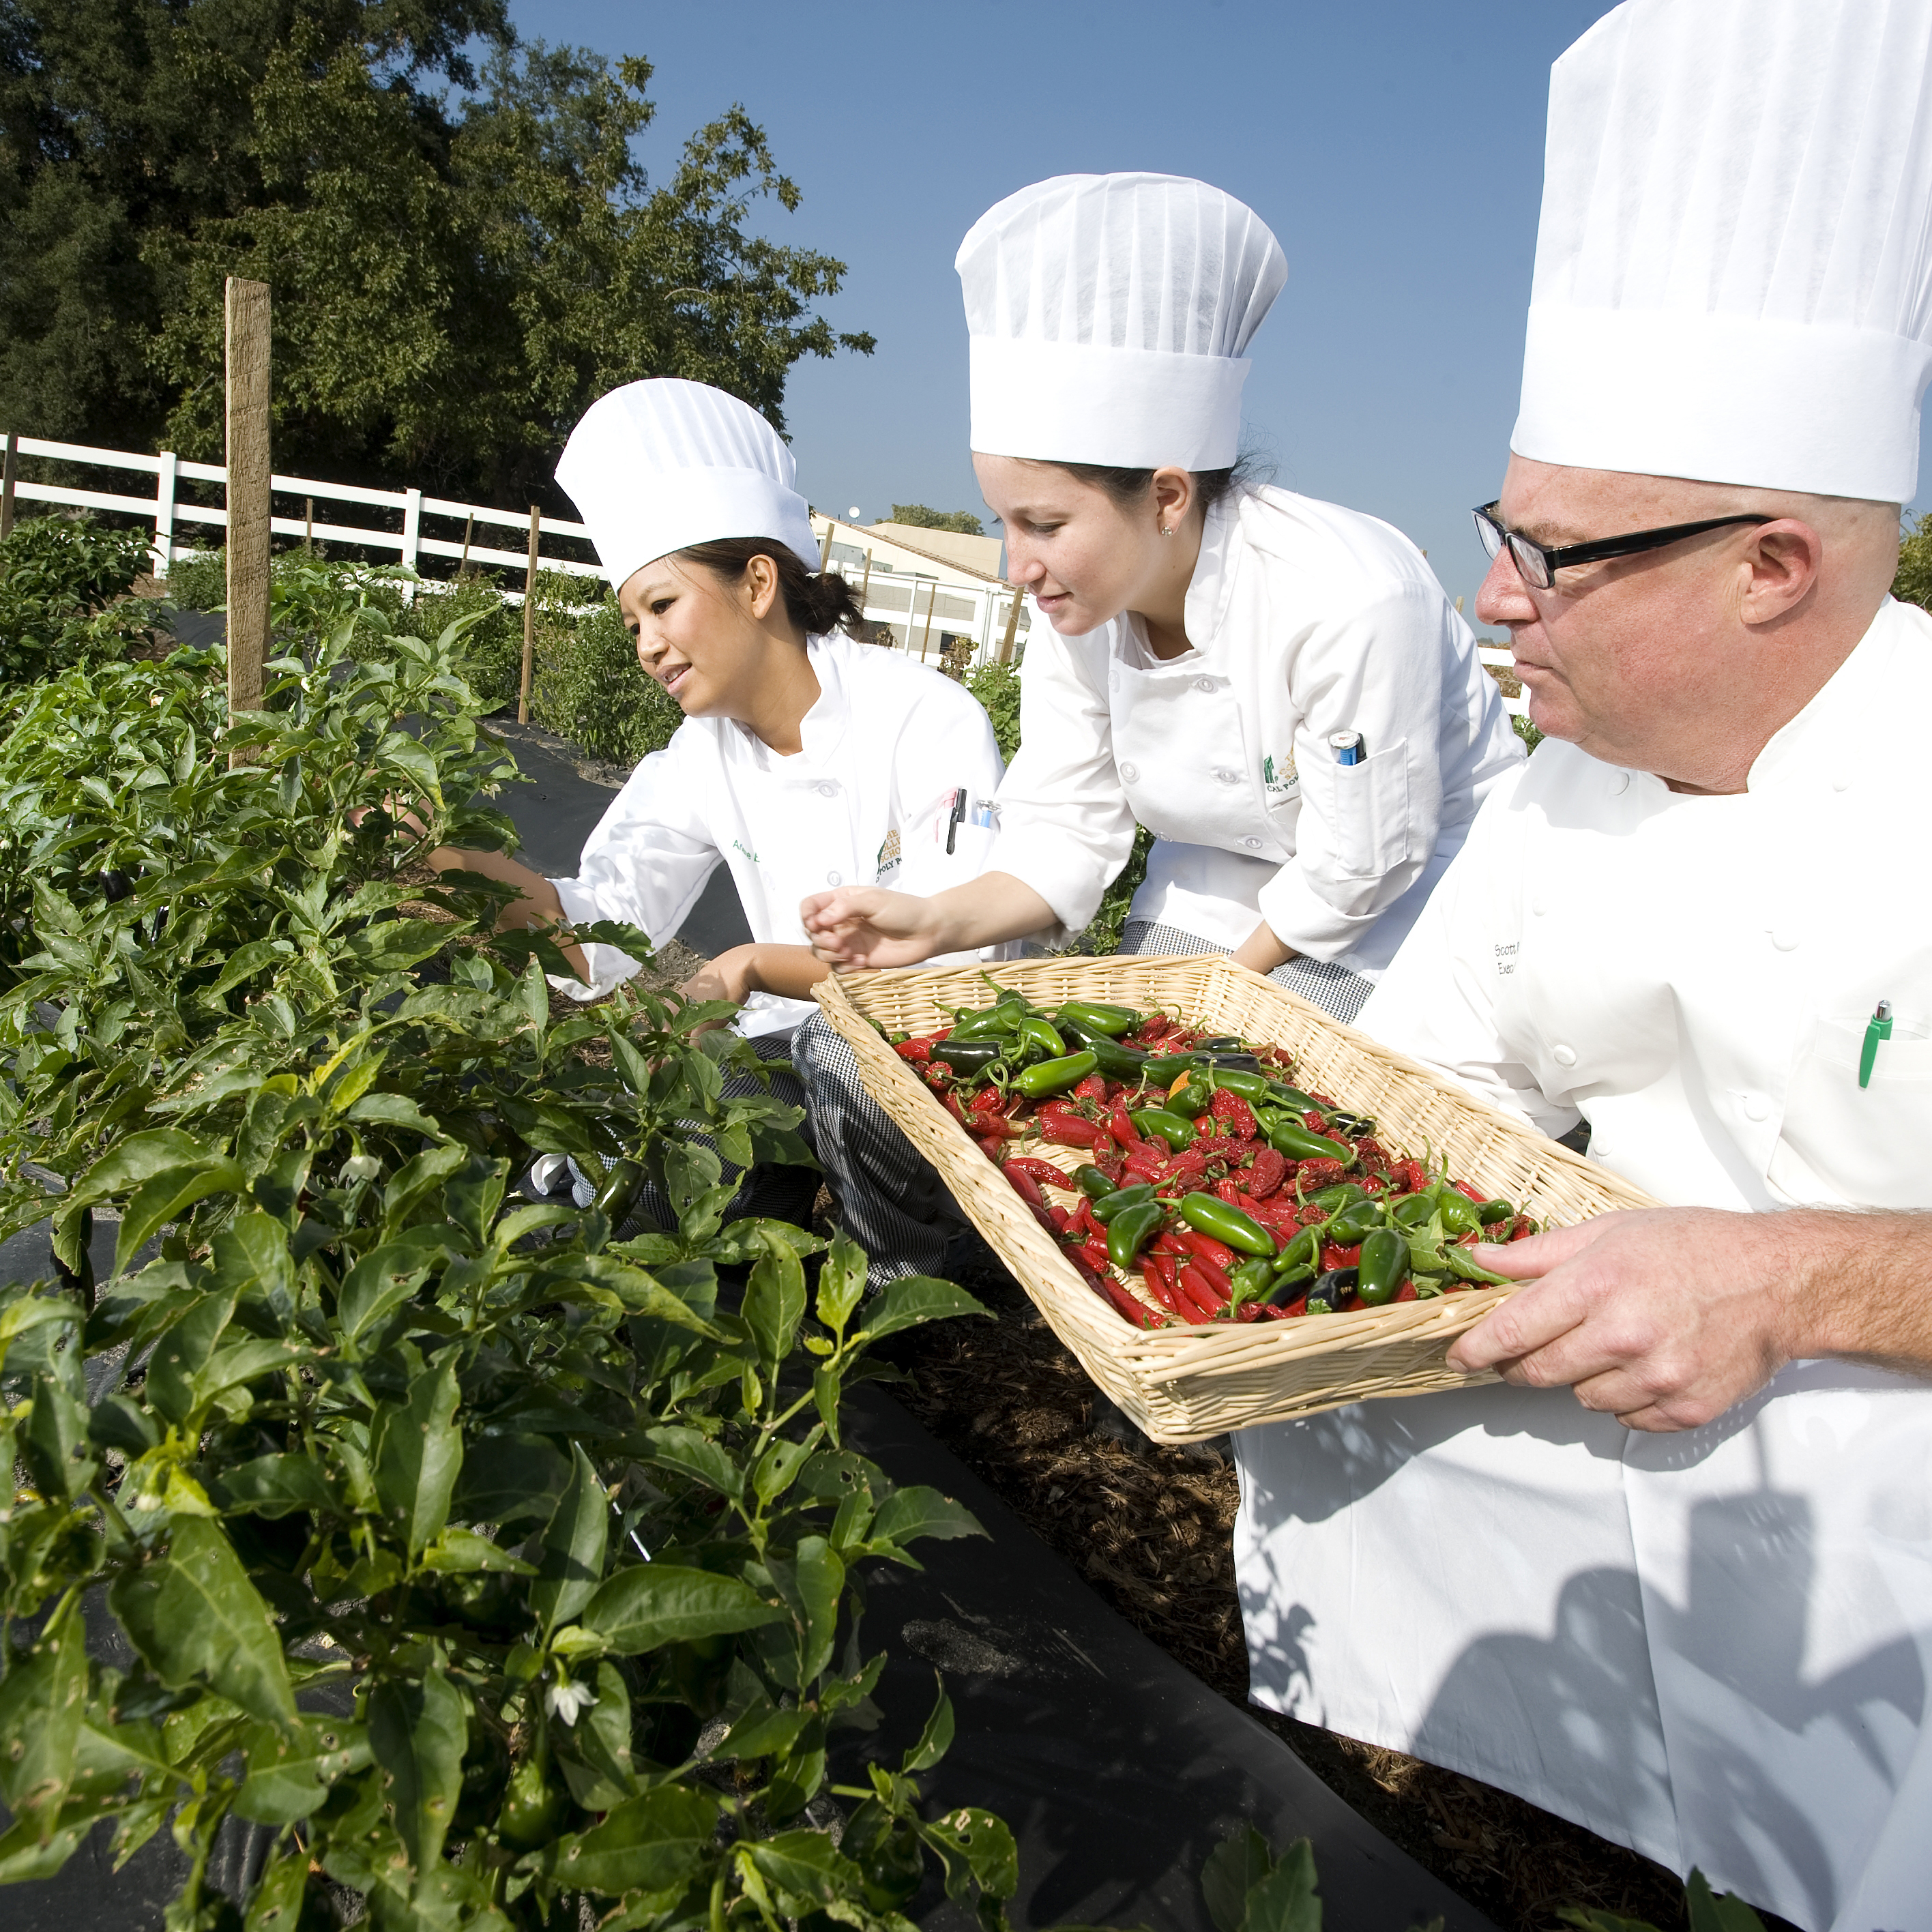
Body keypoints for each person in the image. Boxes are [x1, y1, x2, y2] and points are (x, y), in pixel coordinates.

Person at [1232, 6, 1932, 1927]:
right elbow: (1431, 1091)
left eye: (1550, 555)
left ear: (1773, 566)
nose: (1491, 600)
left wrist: (1793, 1279)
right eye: (1503, 535)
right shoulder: (1565, 786)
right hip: (1610, 1398)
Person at [801, 173, 1522, 1023]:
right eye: (1002, 523)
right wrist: (934, 921)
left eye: (1042, 523)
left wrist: (1204, 1007)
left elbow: (1363, 863)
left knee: (1235, 1086)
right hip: (1211, 885)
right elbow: (1066, 826)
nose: (1014, 567)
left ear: (1169, 498)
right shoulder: (1083, 614)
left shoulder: (1347, 594)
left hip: (1418, 902)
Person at [416, 377, 1011, 1240]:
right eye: (632, 626)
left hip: (929, 1053)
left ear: (758, 582)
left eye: (662, 605)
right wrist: (444, 856)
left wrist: (750, 965)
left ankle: (905, 1281)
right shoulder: (705, 753)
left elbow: (950, 968)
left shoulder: (927, 718)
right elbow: (600, 930)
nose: (648, 645)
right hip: (786, 1050)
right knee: (678, 1178)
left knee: (841, 1054)